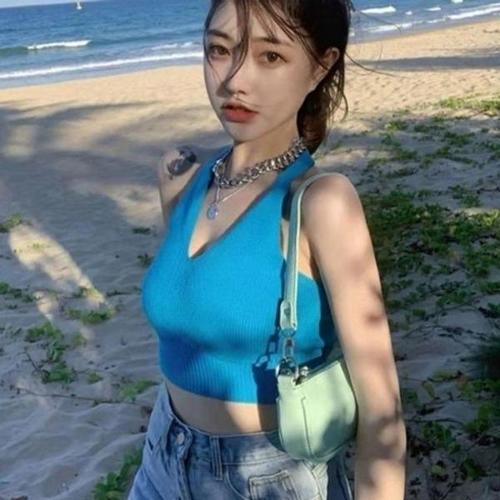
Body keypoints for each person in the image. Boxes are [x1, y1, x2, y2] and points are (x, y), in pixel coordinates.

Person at [128, 0, 407, 498]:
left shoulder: (321, 203)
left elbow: (382, 414)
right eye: (219, 50)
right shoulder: (182, 177)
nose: (235, 80)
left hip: (265, 475)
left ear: (320, 67)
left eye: (270, 57)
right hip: (162, 456)